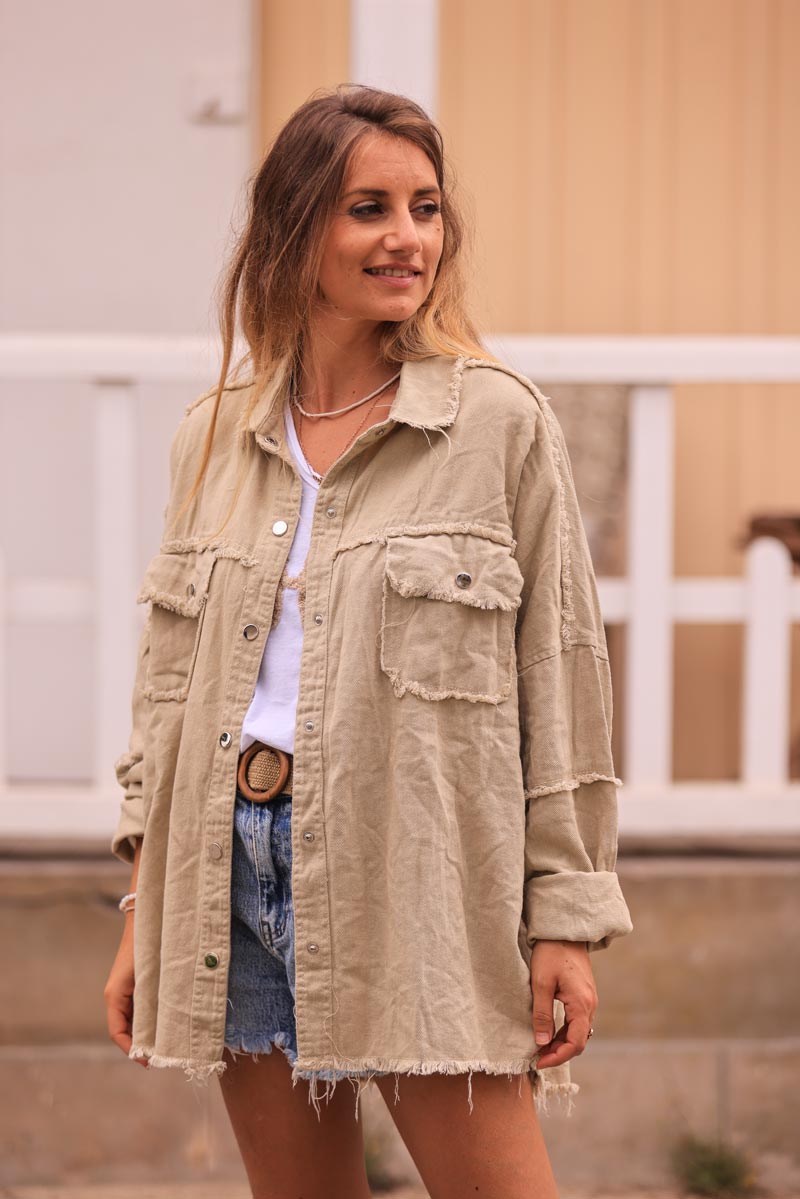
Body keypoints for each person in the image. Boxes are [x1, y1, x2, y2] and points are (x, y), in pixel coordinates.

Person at [103, 83, 633, 1199]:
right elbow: (168, 695)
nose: (407, 238)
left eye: (425, 207)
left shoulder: (494, 422)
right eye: (368, 208)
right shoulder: (213, 435)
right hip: (228, 869)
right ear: (295, 228)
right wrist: (147, 905)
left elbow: (563, 677)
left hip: (422, 871)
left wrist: (566, 918)